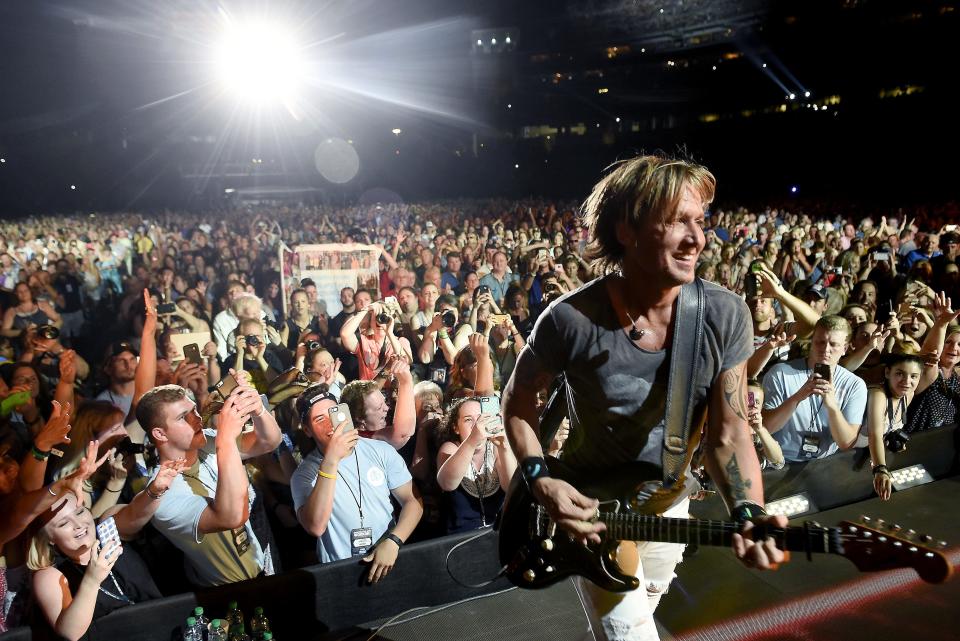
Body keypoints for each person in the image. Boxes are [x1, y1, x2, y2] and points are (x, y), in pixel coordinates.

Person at [502, 155, 787, 641]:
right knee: (630, 633)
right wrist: (538, 479)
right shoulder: (570, 319)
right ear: (627, 230)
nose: (696, 238)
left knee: (648, 605)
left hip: (669, 505)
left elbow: (730, 432)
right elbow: (518, 400)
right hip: (593, 511)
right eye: (676, 221)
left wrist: (748, 510)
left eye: (699, 221)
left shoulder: (725, 315)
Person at [137, 379, 282, 587]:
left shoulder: (209, 441)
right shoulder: (162, 496)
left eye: (194, 410)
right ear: (160, 434)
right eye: (182, 417)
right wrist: (226, 440)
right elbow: (231, 516)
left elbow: (269, 441)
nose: (196, 419)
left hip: (262, 566)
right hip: (228, 592)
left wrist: (258, 411)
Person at [290, 385, 423, 583]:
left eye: (333, 413)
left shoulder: (380, 451)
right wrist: (332, 459)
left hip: (385, 559)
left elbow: (413, 502)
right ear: (307, 430)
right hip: (338, 572)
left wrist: (394, 541)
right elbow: (315, 526)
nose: (330, 423)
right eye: (319, 419)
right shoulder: (304, 475)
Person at [762, 315, 869, 462]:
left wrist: (832, 406)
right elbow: (766, 428)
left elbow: (846, 442)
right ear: (812, 342)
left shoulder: (855, 385)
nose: (826, 349)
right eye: (820, 342)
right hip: (780, 461)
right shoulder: (780, 373)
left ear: (845, 348)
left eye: (833, 344)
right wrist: (797, 398)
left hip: (823, 465)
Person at [435, 397, 517, 533]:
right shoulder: (450, 448)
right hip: (459, 538)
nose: (476, 425)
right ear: (456, 428)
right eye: (468, 420)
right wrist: (472, 440)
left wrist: (505, 447)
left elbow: (511, 488)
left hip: (497, 532)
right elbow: (447, 484)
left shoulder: (496, 448)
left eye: (480, 418)